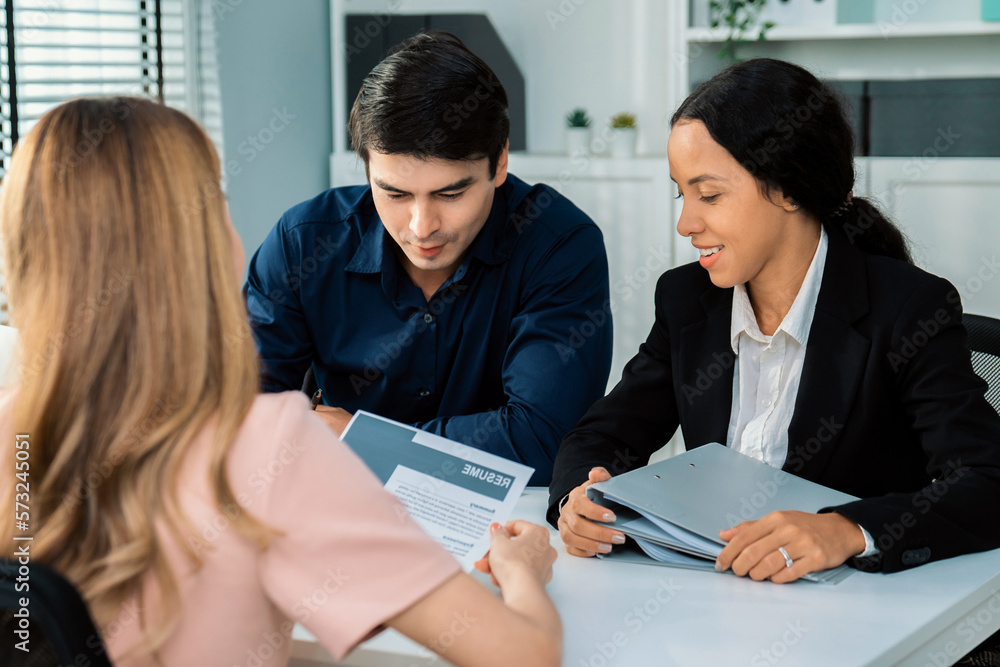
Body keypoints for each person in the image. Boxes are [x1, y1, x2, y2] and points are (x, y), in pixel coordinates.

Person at [0, 97, 561, 666]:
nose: (421, 224)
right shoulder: (267, 445)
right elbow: (526, 655)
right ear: (200, 245)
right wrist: (524, 573)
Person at [549, 57, 1000, 583]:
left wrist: (847, 530)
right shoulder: (686, 300)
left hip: (854, 613)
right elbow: (602, 435)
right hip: (715, 596)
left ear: (788, 189)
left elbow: (987, 480)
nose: (685, 223)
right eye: (682, 193)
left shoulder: (908, 309)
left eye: (709, 195)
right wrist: (578, 498)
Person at [243, 31, 612, 485]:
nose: (421, 227)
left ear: (499, 163)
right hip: (340, 509)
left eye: (450, 192)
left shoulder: (559, 245)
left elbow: (542, 440)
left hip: (507, 527)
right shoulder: (303, 243)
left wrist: (364, 440)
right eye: (394, 192)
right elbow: (246, 414)